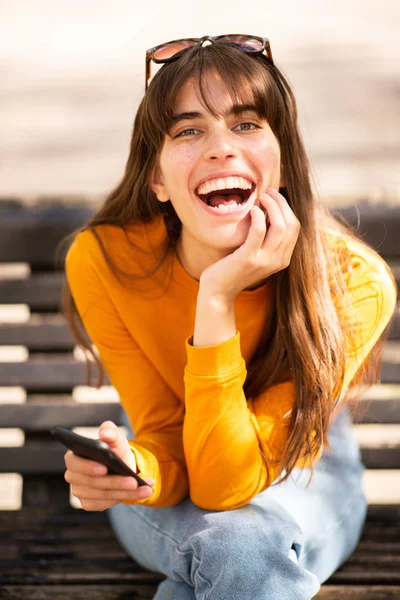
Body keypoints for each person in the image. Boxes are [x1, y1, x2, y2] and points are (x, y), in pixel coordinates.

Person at [60, 35, 398, 599]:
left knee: (237, 548)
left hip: (307, 469)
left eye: (246, 124)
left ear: (284, 161)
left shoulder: (355, 284)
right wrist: (127, 466)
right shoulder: (105, 262)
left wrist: (215, 296)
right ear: (157, 180)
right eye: (189, 129)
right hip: (171, 481)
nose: (221, 148)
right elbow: (169, 444)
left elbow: (225, 485)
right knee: (241, 550)